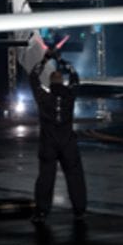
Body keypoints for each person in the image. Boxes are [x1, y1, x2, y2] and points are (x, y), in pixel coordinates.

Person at [30, 50, 87, 222]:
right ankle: (79, 210)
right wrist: (61, 60)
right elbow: (75, 76)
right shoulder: (70, 96)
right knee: (75, 176)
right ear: (62, 82)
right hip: (67, 141)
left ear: (49, 83)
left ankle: (42, 211)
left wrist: (45, 59)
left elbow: (33, 77)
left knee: (46, 177)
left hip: (49, 142)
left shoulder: (43, 97)